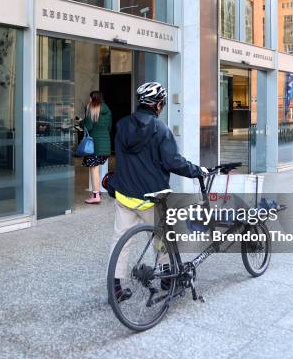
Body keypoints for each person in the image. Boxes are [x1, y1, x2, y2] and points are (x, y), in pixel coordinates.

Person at [108, 82, 204, 301]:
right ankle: (166, 277)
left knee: (120, 240)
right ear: (159, 105)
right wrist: (197, 171)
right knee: (163, 237)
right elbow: (173, 162)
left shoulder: (122, 125)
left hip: (124, 195)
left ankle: (114, 289)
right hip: (152, 198)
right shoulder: (160, 129)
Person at [79, 91, 112, 204]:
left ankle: (95, 196)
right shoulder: (107, 110)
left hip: (94, 146)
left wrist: (80, 123)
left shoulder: (92, 109)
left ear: (92, 98)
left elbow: (88, 126)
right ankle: (97, 193)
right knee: (96, 168)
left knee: (94, 170)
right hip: (105, 145)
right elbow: (109, 127)